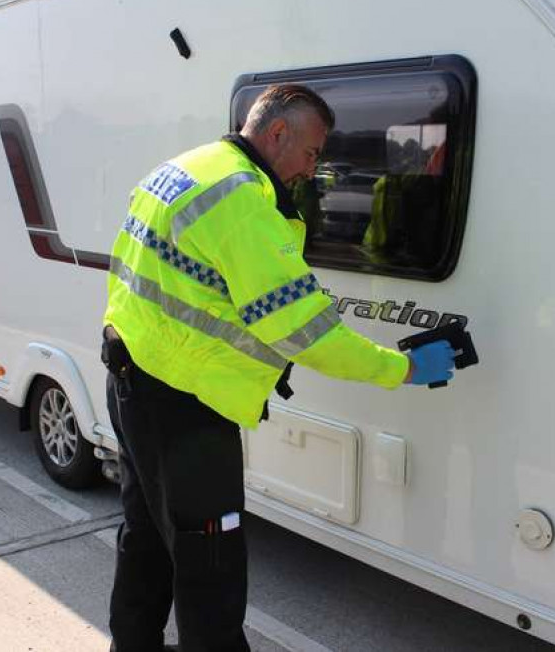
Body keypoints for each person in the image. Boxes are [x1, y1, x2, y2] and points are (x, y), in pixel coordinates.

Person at [101, 84, 455, 652]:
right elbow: (305, 332)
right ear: (278, 133)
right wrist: (404, 368)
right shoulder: (242, 201)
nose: (313, 171)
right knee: (209, 559)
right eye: (313, 153)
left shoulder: (188, 166)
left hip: (132, 378)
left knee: (147, 539)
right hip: (186, 404)